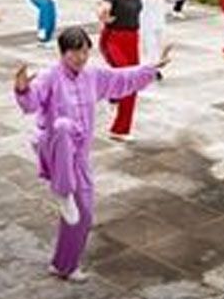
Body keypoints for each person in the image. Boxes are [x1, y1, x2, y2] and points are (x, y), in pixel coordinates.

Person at [14, 26, 172, 282]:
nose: (81, 58)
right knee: (63, 126)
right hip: (54, 147)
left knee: (83, 215)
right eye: (75, 52)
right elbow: (31, 103)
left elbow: (122, 78)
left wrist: (152, 68)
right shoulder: (50, 76)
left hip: (79, 157)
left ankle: (64, 265)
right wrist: (22, 89)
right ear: (63, 53)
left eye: (85, 52)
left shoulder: (93, 75)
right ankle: (62, 190)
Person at [97, 0, 168, 141]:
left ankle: (119, 128)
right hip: (113, 39)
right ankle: (114, 101)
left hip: (131, 39)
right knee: (127, 78)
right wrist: (103, 15)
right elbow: (103, 6)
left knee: (133, 82)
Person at [138, 0, 182, 75]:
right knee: (151, 46)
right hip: (146, 21)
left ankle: (154, 67)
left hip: (159, 20)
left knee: (159, 45)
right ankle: (153, 70)